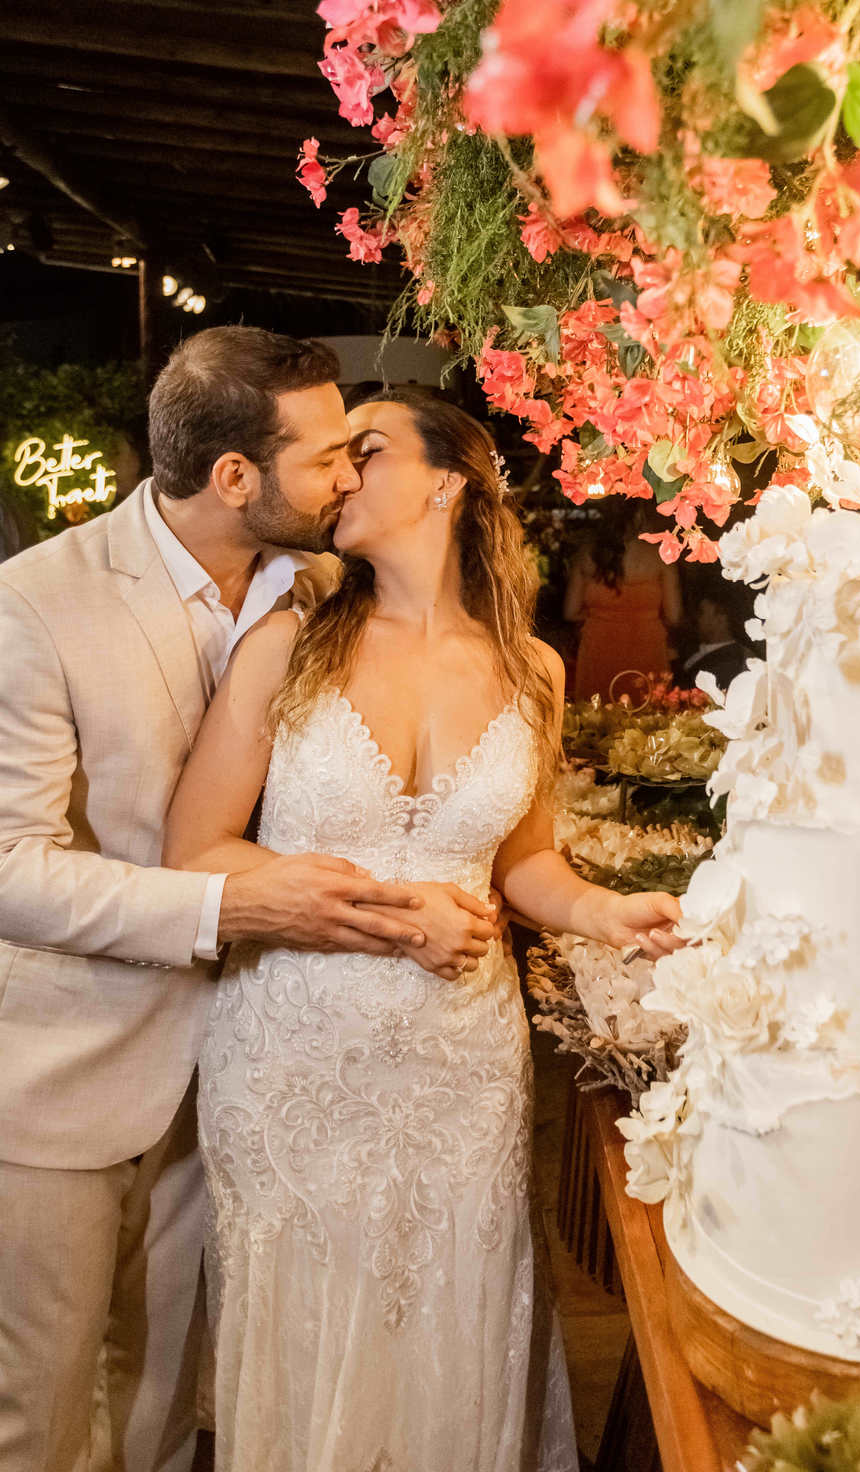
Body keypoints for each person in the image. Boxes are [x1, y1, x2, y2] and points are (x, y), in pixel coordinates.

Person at [165, 386, 682, 1472]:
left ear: (449, 480)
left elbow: (524, 861)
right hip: (294, 1054)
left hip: (462, 1067)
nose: (342, 475)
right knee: (308, 1317)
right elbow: (198, 850)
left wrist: (604, 911)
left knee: (454, 1304)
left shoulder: (535, 672)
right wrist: (398, 916)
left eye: (369, 451)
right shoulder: (290, 644)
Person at [0, 328, 483, 1472]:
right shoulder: (36, 604)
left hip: (240, 1071)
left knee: (173, 1397)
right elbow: (10, 869)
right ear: (235, 478)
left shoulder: (316, 584)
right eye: (326, 458)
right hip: (62, 1074)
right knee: (42, 1410)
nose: (347, 478)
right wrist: (235, 911)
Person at [563, 498, 681, 700]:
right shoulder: (661, 556)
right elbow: (674, 616)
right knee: (647, 716)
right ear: (639, 517)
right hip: (647, 645)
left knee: (597, 720)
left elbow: (570, 612)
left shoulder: (587, 555)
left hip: (598, 648)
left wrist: (602, 616)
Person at [679, 586, 756, 692]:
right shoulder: (695, 650)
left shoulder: (732, 660)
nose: (697, 619)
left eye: (701, 613)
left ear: (721, 618)